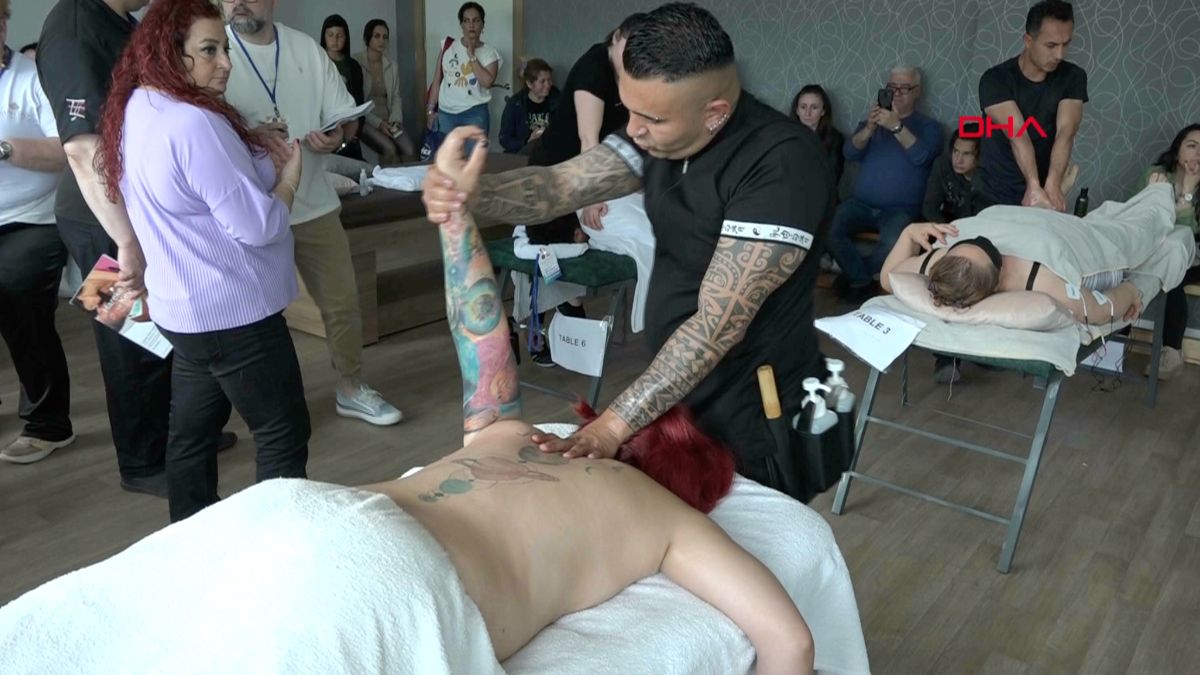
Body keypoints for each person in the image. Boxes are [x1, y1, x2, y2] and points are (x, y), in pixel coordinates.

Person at [423, 3, 835, 492]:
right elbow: (560, 186)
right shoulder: (661, 130)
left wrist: (612, 427)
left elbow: (714, 327)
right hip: (681, 397)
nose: (633, 129)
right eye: (630, 108)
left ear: (714, 114)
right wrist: (471, 192)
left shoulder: (782, 163)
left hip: (759, 410)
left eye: (650, 117)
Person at [97, 0, 310, 522]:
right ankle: (280, 546)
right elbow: (258, 225)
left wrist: (253, 147)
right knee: (282, 433)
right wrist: (289, 181)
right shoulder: (193, 122)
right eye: (209, 51)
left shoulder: (139, 106)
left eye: (224, 49)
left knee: (190, 437)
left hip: (184, 315)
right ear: (170, 53)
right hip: (235, 315)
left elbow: (200, 187)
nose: (225, 63)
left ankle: (190, 537)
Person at [38, 0, 235, 497]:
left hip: (135, 208)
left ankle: (178, 437)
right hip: (98, 218)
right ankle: (142, 462)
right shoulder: (73, 29)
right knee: (130, 340)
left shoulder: (122, 21)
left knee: (161, 333)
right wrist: (126, 240)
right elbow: (82, 148)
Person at [221, 0, 403, 426]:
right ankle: (257, 409)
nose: (237, 2)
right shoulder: (214, 51)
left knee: (343, 301)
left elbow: (345, 118)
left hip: (314, 201)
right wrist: (250, 136)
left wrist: (338, 135)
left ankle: (351, 388)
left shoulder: (305, 48)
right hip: (247, 212)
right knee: (252, 317)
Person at [0, 0, 74, 465]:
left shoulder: (31, 79)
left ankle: (48, 424)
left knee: (16, 293)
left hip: (35, 217)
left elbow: (66, 150)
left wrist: (4, 148)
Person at [827, 65, 943, 304]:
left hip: (901, 210)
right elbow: (850, 152)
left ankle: (856, 277)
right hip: (860, 204)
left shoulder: (929, 127)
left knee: (893, 244)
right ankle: (862, 280)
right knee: (827, 227)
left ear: (917, 91)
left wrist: (896, 126)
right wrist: (870, 128)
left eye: (904, 88)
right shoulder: (871, 123)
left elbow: (922, 157)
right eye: (892, 87)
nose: (897, 93)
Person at [879, 220, 1145, 325]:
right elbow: (1102, 310)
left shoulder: (935, 261)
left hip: (1013, 218)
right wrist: (1131, 290)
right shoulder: (1042, 280)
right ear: (997, 280)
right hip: (1065, 234)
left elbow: (888, 277)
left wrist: (909, 232)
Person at [977, 0, 1087, 210]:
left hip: (1043, 192)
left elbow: (1066, 133)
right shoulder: (995, 80)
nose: (1060, 55)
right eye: (1051, 45)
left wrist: (1052, 185)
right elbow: (1018, 135)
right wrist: (1033, 185)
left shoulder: (1073, 77)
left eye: (1066, 44)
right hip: (995, 191)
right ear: (1028, 40)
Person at [1139, 124, 1200, 379]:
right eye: (1192, 146)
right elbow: (1139, 217)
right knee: (1125, 270)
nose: (1198, 154)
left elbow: (1189, 233)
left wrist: (1190, 189)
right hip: (1152, 247)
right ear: (1177, 151)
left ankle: (1171, 353)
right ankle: (1110, 344)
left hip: (1194, 256)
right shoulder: (1156, 176)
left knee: (1172, 275)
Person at [426, 2, 501, 138]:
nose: (471, 25)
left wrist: (471, 55)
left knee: (473, 152)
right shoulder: (448, 46)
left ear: (482, 24)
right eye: (466, 21)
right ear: (461, 25)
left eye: (476, 20)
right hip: (446, 114)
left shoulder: (490, 53)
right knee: (448, 152)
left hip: (475, 114)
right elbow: (437, 81)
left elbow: (487, 82)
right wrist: (430, 111)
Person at [355, 18, 415, 162]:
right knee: (389, 149)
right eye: (377, 36)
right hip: (366, 120)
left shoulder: (391, 66)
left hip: (389, 120)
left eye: (385, 37)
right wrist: (379, 124)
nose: (381, 41)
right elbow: (357, 103)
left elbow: (396, 97)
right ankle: (386, 177)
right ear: (367, 38)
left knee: (409, 150)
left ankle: (404, 178)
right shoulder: (356, 62)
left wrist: (395, 120)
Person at [318, 14, 366, 162]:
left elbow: (359, 100)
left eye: (340, 36)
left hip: (350, 125)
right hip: (325, 127)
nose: (335, 40)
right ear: (324, 37)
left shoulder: (353, 66)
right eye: (330, 35)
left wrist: (355, 130)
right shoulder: (317, 64)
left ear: (346, 38)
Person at [922, 127, 984, 223]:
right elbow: (929, 207)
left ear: (980, 156)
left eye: (967, 154)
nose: (958, 160)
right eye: (956, 151)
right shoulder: (943, 165)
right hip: (948, 224)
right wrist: (946, 229)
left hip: (980, 226)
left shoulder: (990, 176)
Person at [498, 58, 559, 154]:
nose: (548, 85)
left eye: (549, 80)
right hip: (523, 154)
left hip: (551, 153)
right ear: (529, 83)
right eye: (542, 81)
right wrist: (527, 141)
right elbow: (505, 139)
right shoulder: (515, 104)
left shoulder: (558, 100)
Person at [791, 84, 844, 187]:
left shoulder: (835, 139)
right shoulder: (786, 135)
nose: (807, 113)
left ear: (823, 111)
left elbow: (832, 178)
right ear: (797, 110)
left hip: (819, 191)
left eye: (814, 107)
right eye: (803, 107)